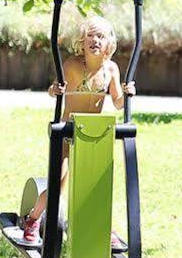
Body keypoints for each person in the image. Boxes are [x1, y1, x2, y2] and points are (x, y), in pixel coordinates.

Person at [19, 14, 135, 242]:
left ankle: (106, 228)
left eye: (100, 37)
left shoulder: (110, 70)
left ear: (108, 43)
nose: (95, 41)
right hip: (68, 132)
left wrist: (128, 92)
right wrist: (55, 90)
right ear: (82, 42)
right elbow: (55, 89)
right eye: (90, 36)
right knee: (58, 185)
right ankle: (33, 219)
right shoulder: (72, 65)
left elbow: (119, 102)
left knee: (96, 186)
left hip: (92, 134)